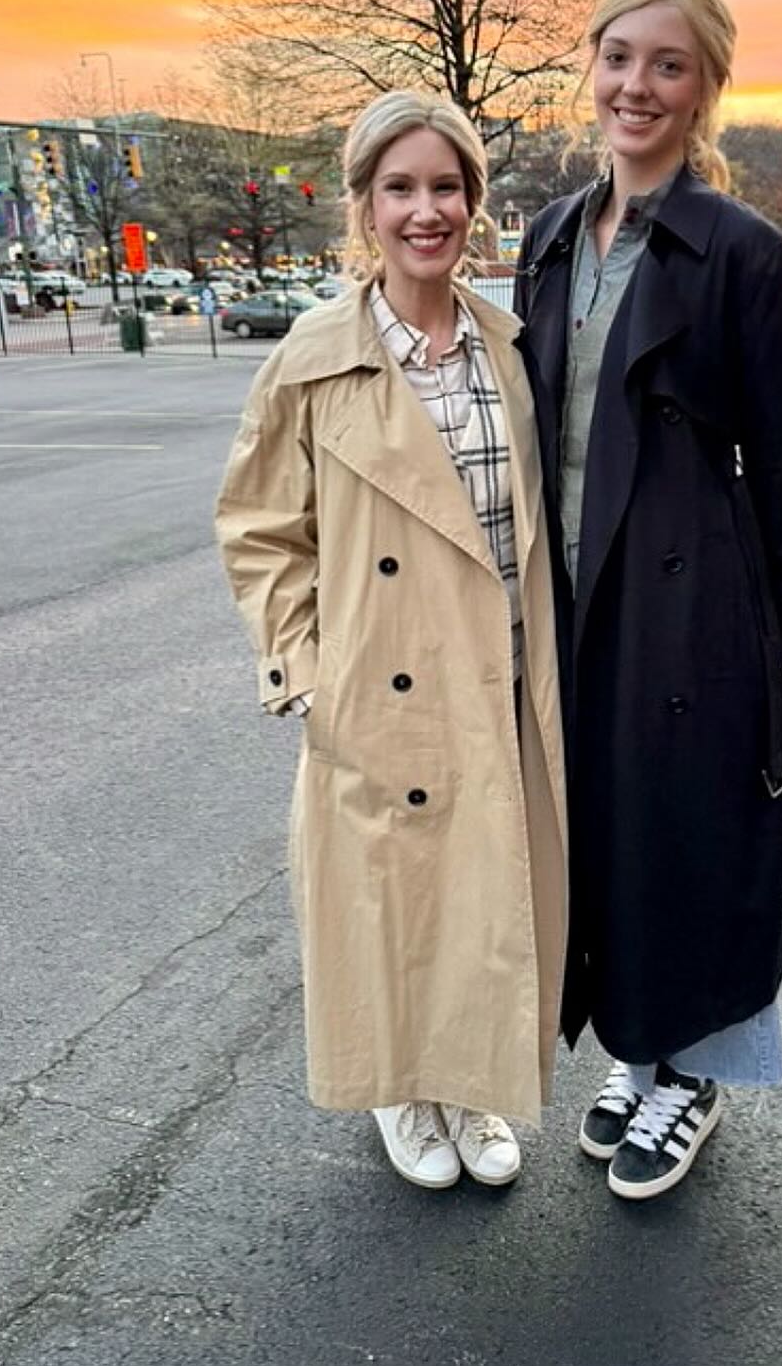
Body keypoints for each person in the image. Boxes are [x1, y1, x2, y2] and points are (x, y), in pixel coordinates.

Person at [516, 0, 782, 1201]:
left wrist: (781, 628)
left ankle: (693, 1066)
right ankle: (640, 1044)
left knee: (694, 834)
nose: (637, 85)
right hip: (568, 593)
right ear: (590, 68)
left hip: (691, 603)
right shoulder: (551, 234)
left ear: (706, 90)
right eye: (619, 57)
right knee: (604, 832)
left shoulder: (743, 251)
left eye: (669, 64)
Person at [216, 91, 568, 1192]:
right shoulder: (313, 356)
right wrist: (306, 670)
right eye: (401, 188)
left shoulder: (509, 347)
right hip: (384, 678)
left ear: (474, 201)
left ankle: (469, 1080)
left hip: (501, 671)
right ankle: (402, 1086)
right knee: (391, 898)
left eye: (446, 187)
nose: (427, 211)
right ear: (363, 206)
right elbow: (260, 525)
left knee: (482, 892)